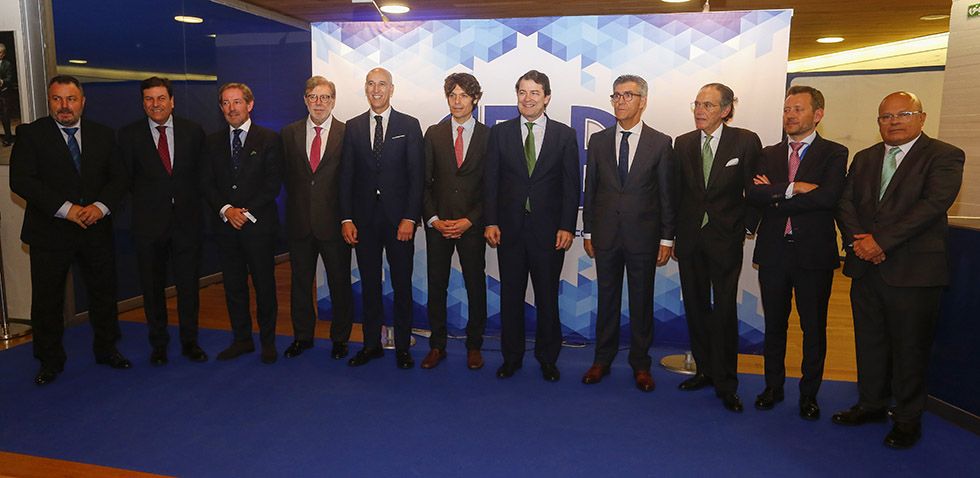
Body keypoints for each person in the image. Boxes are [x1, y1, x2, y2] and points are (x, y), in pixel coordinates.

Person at [834, 91, 964, 449]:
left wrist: (880, 242)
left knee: (910, 348)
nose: (893, 122)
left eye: (903, 114)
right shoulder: (865, 158)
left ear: (921, 117)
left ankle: (907, 419)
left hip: (914, 271)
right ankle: (871, 404)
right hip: (866, 268)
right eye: (885, 117)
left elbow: (932, 205)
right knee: (870, 342)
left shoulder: (944, 155)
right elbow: (845, 203)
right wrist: (861, 243)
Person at [9, 75, 131, 385]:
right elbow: (21, 180)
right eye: (57, 99)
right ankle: (49, 361)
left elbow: (119, 179)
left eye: (71, 99)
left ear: (83, 102)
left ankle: (107, 350)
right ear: (49, 101)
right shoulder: (31, 134)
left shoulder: (104, 135)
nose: (64, 106)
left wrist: (100, 207)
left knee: (103, 294)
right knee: (47, 300)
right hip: (50, 233)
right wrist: (67, 209)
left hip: (95, 229)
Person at [747, 85, 847, 419]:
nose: (790, 115)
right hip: (774, 252)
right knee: (774, 325)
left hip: (813, 256)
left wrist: (777, 195)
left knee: (813, 328)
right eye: (787, 109)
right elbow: (754, 195)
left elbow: (829, 198)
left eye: (798, 109)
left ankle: (809, 395)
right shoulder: (769, 153)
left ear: (818, 114)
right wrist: (796, 188)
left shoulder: (834, 153)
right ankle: (772, 388)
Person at [484, 70, 580, 382]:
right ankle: (511, 358)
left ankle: (548, 358)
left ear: (547, 97)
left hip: (549, 233)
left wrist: (567, 226)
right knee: (510, 297)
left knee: (547, 298)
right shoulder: (500, 133)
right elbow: (491, 182)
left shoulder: (564, 135)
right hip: (509, 230)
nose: (528, 99)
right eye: (522, 92)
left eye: (535, 92)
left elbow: (571, 186)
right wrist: (491, 220)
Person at [581, 74, 675, 391]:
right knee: (607, 300)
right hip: (606, 236)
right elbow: (591, 190)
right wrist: (588, 232)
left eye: (628, 95)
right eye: (616, 95)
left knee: (641, 302)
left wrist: (666, 238)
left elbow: (666, 195)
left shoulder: (660, 143)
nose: (620, 101)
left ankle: (641, 364)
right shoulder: (599, 141)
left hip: (643, 238)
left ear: (643, 101)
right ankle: (601, 360)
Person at [673, 83, 762, 412]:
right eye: (697, 104)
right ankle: (704, 371)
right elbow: (677, 193)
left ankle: (726, 382)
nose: (700, 110)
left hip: (725, 239)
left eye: (708, 105)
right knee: (695, 307)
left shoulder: (745, 141)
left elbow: (756, 190)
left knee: (724, 310)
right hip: (690, 239)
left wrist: (747, 227)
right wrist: (673, 235)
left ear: (726, 110)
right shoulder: (683, 143)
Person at [118, 76, 208, 365]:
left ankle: (190, 342)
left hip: (187, 225)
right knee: (152, 289)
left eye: (160, 98)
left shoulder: (193, 132)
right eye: (149, 99)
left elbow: (202, 176)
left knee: (188, 288)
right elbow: (124, 180)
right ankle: (158, 344)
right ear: (143, 103)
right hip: (148, 227)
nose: (155, 104)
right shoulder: (129, 135)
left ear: (172, 101)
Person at [339, 68, 424, 369]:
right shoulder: (353, 126)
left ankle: (402, 347)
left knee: (401, 285)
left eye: (382, 85)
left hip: (399, 221)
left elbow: (417, 177)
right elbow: (346, 176)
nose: (376, 90)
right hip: (364, 221)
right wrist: (346, 218)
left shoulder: (409, 125)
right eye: (371, 84)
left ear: (392, 89)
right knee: (370, 285)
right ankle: (371, 345)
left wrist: (410, 217)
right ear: (365, 89)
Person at [200, 82, 283, 364]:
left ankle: (268, 342)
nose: (231, 108)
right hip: (226, 228)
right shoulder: (211, 142)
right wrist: (227, 210)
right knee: (234, 286)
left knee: (264, 286)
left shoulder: (269, 139)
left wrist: (244, 212)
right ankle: (242, 339)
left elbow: (273, 183)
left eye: (237, 102)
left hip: (258, 226)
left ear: (250, 104)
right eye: (225, 103)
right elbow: (207, 183)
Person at [280, 76, 354, 361]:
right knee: (300, 284)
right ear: (305, 100)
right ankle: (302, 337)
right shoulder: (289, 133)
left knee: (339, 284)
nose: (319, 103)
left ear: (333, 101)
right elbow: (286, 175)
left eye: (324, 97)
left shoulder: (347, 133)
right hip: (299, 222)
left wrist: (348, 218)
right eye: (313, 97)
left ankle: (340, 339)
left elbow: (353, 179)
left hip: (334, 223)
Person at [420, 73, 489, 370]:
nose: (457, 101)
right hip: (439, 226)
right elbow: (423, 183)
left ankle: (474, 346)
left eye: (463, 95)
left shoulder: (489, 136)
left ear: (475, 99)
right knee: (437, 286)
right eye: (452, 95)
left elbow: (492, 187)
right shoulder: (433, 134)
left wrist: (470, 220)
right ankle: (437, 345)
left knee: (475, 286)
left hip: (471, 226)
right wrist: (434, 219)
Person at [0, 43, 14, 146]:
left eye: (0, 52)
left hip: (4, 93)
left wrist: (2, 82)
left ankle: (8, 138)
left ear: (3, 54)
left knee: (5, 116)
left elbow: (9, 78)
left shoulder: (7, 64)